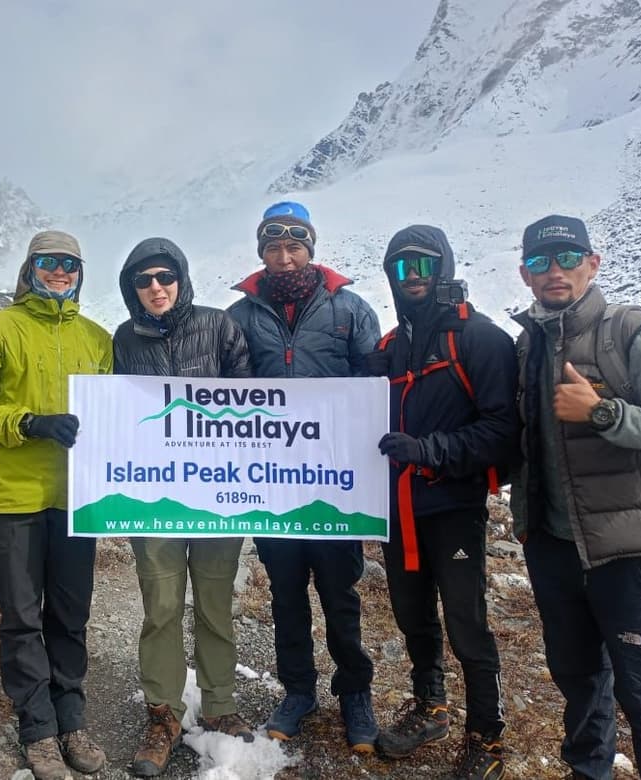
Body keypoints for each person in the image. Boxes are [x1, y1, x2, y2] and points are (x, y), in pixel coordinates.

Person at [511, 214, 641, 780]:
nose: (554, 272)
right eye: (539, 262)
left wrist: (603, 413)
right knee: (577, 680)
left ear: (592, 264)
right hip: (552, 545)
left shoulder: (629, 332)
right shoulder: (528, 343)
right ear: (525, 275)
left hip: (626, 551)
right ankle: (588, 771)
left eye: (567, 258)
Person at [0, 229, 112, 780]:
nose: (61, 271)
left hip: (78, 497)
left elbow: (117, 417)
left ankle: (72, 718)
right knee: (22, 616)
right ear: (30, 268)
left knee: (70, 614)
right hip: (12, 498)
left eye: (71, 263)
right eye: (49, 262)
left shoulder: (98, 338)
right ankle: (37, 729)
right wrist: (27, 423)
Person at [226, 201, 382, 752]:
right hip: (272, 486)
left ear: (310, 250)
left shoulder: (350, 310)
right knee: (286, 594)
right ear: (262, 254)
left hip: (336, 485)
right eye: (273, 248)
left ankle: (355, 694)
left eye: (294, 247)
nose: (285, 258)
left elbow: (374, 392)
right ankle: (298, 691)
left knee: (341, 595)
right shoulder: (240, 317)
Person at [364, 225, 517, 780]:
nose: (414, 278)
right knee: (412, 614)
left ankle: (487, 736)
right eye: (402, 268)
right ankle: (430, 705)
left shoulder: (479, 339)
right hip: (398, 508)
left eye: (425, 265)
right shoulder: (390, 346)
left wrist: (428, 450)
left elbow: (503, 431)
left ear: (445, 267)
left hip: (452, 506)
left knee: (467, 623)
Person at [113, 237, 254, 777]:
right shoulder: (124, 339)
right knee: (163, 607)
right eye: (144, 280)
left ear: (181, 279)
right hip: (155, 500)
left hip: (218, 495)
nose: (155, 287)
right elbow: (118, 411)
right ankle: (164, 714)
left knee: (215, 603)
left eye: (164, 277)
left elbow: (251, 405)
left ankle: (220, 705)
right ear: (132, 288)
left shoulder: (220, 327)